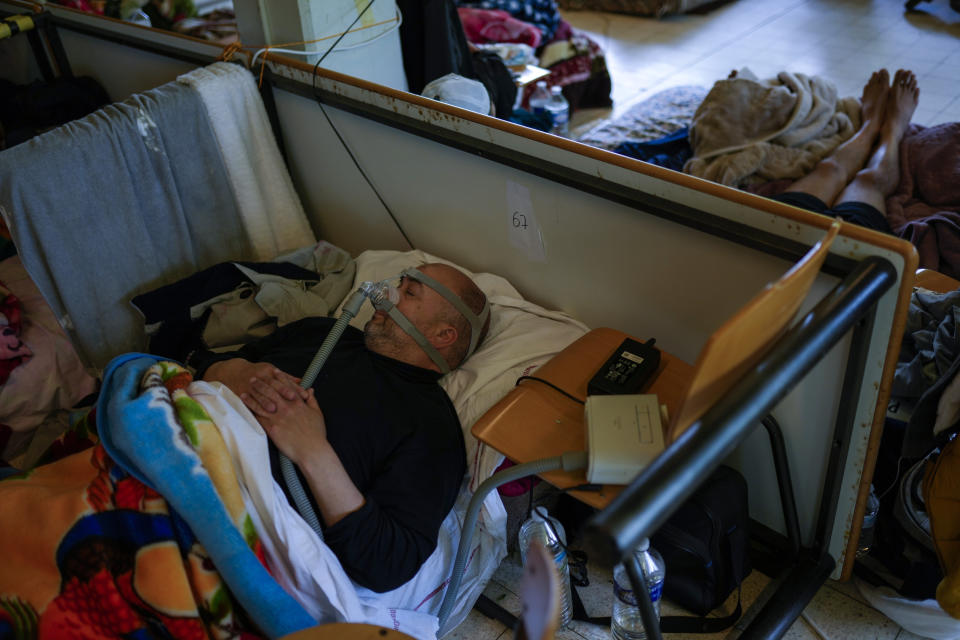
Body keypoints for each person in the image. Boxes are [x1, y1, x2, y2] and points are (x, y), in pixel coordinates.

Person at [191, 263, 491, 592]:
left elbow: (389, 563)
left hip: (220, 514)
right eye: (398, 281)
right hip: (178, 432)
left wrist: (313, 452)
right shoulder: (319, 332)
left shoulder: (431, 429)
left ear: (442, 335)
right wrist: (232, 371)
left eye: (408, 292)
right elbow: (197, 367)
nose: (385, 291)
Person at [771, 68, 920, 233]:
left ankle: (870, 126)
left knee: (829, 169)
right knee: (869, 181)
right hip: (840, 249)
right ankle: (893, 130)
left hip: (782, 232)